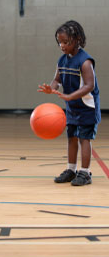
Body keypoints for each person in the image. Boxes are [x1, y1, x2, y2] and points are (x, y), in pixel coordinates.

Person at [38, 20, 101, 186]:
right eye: (59, 42)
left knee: (84, 139)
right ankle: (71, 170)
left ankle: (85, 173)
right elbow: (57, 79)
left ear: (77, 39)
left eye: (65, 42)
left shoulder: (85, 61)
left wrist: (71, 96)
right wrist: (51, 88)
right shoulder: (62, 60)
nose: (62, 45)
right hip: (72, 106)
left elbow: (89, 85)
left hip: (87, 107)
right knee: (71, 137)